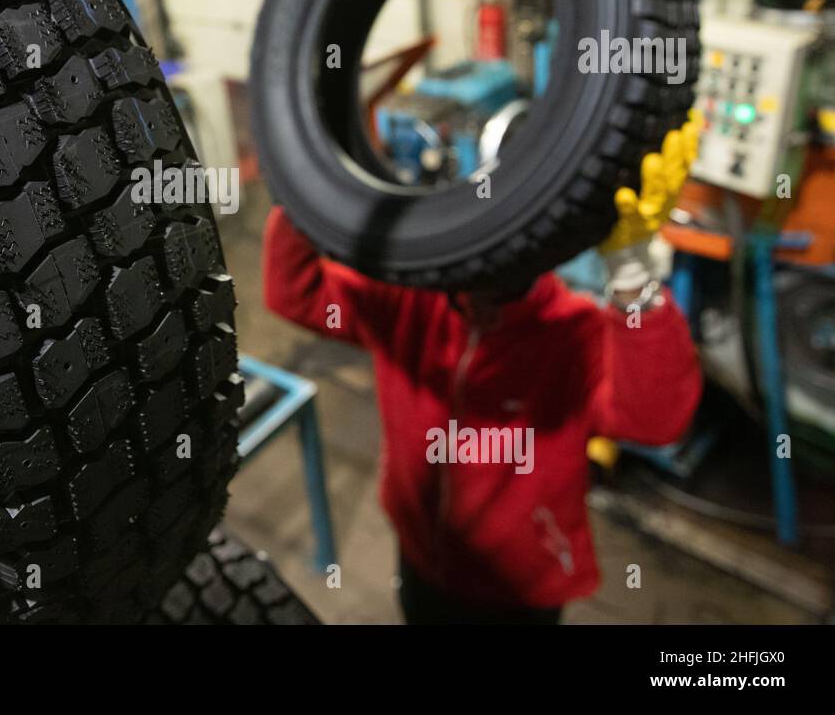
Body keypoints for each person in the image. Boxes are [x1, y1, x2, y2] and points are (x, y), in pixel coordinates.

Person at [263, 115, 703, 624]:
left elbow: (653, 420)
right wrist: (311, 184)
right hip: (419, 555)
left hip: (518, 592)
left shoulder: (572, 332)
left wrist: (630, 268)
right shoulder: (409, 300)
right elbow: (295, 293)